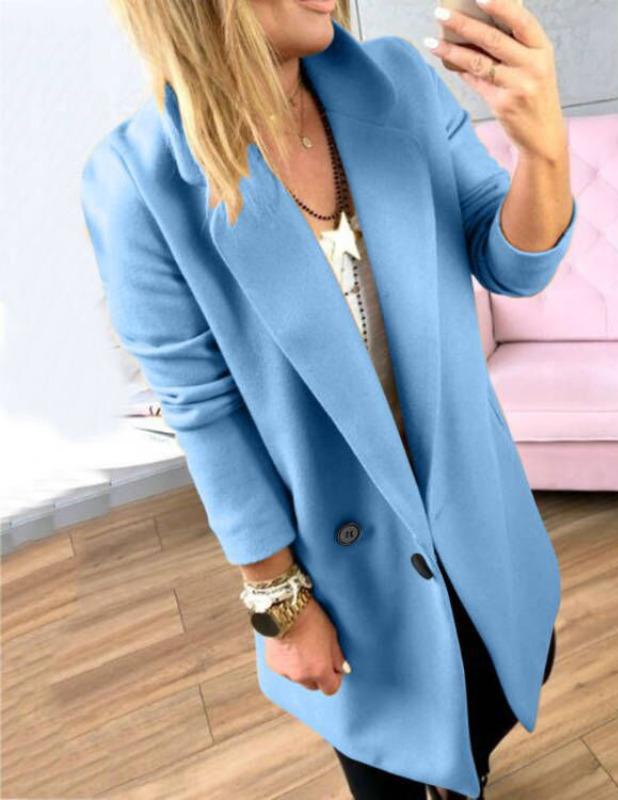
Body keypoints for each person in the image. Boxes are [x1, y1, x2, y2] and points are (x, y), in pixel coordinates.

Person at [80, 1, 576, 797]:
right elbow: (204, 414)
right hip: (342, 567)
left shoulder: (398, 82)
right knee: (391, 761)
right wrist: (278, 601)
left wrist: (543, 149)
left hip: (475, 509)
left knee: (492, 696)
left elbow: (511, 263)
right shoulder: (138, 180)